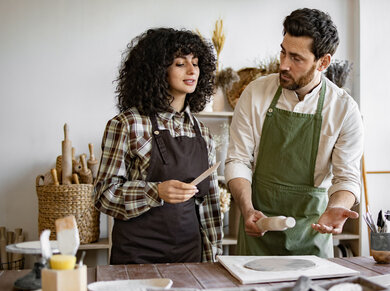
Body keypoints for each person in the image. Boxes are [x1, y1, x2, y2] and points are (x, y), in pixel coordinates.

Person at [225, 8, 364, 257]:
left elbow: (346, 179)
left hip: (311, 233)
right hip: (257, 227)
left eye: (296, 58)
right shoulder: (255, 93)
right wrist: (246, 209)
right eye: (283, 52)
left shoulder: (344, 109)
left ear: (323, 62)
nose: (284, 65)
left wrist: (337, 206)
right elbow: (238, 160)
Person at [94, 28, 222, 264]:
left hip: (190, 257)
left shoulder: (203, 133)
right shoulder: (128, 124)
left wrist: (215, 255)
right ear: (157, 69)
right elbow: (104, 195)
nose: (192, 70)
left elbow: (210, 203)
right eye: (180, 63)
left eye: (195, 63)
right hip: (138, 256)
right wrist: (156, 192)